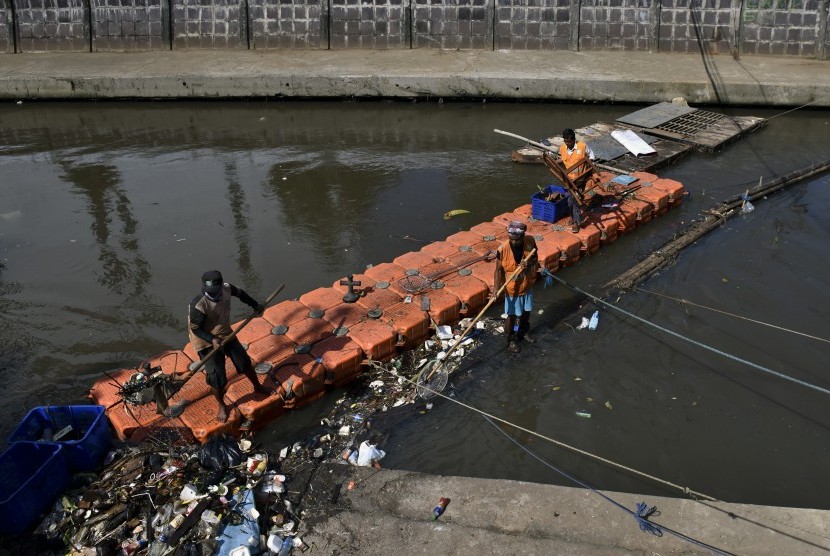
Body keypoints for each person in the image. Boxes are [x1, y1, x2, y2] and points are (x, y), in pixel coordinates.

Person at [188, 270, 270, 422]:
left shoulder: (227, 288)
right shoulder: (198, 306)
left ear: (220, 286)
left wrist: (255, 305)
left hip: (225, 332)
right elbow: (195, 328)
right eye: (208, 292)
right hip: (205, 341)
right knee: (217, 377)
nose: (211, 294)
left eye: (214, 291)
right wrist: (212, 340)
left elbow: (241, 294)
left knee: (244, 362)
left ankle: (257, 386)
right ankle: (221, 404)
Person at [493, 221, 538, 354]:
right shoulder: (502, 250)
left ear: (523, 236)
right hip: (512, 289)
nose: (513, 242)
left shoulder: (530, 241)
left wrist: (529, 264)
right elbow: (498, 271)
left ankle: (523, 332)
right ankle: (511, 339)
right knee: (511, 316)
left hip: (526, 284)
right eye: (511, 239)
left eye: (517, 239)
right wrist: (496, 289)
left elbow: (535, 259)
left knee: (526, 312)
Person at [559, 128, 596, 233]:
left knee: (574, 200)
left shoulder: (582, 146)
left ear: (574, 139)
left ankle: (577, 222)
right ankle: (573, 218)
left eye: (569, 141)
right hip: (569, 179)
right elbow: (563, 160)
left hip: (581, 178)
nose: (568, 144)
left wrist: (589, 167)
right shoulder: (562, 148)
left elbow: (592, 156)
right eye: (566, 141)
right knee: (569, 200)